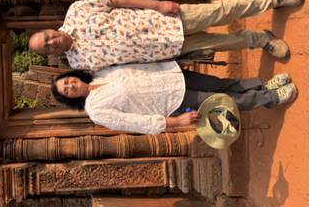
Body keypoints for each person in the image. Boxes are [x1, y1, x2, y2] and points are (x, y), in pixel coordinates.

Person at [29, 0, 305, 70]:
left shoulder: (77, 10)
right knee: (221, 42)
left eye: (47, 37)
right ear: (49, 53)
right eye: (47, 47)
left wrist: (158, 4)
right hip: (163, 49)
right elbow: (122, 70)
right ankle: (260, 40)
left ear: (49, 29)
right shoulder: (79, 64)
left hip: (165, 20)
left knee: (221, 11)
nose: (52, 42)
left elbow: (118, 0)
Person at [51, 62, 297, 134]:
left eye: (68, 81)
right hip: (171, 102)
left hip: (171, 75)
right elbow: (134, 123)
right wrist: (175, 123)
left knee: (222, 84)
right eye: (66, 90)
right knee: (223, 101)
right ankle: (270, 98)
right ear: (69, 99)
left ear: (72, 75)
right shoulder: (95, 110)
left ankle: (262, 86)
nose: (70, 85)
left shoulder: (100, 73)